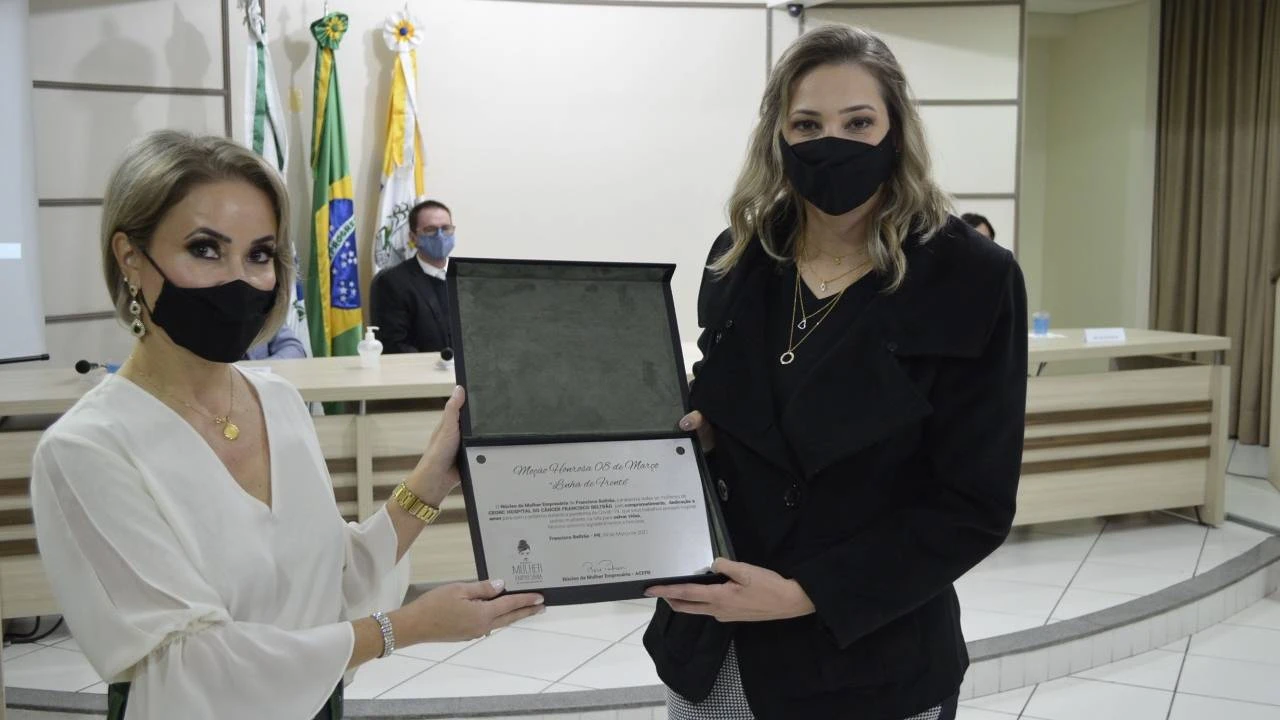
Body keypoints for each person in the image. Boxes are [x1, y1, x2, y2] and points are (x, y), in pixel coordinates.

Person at [30, 132, 544, 720]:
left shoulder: (277, 401)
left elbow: (336, 580)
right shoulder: (87, 447)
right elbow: (193, 664)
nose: (239, 279)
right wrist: (404, 628)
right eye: (205, 249)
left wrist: (433, 477)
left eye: (259, 255)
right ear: (130, 257)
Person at [643, 25, 1027, 720]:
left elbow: (974, 505)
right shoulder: (740, 255)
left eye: (858, 123)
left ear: (895, 131)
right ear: (779, 136)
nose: (832, 143)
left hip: (868, 651)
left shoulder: (971, 275)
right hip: (713, 641)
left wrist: (806, 594)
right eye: (807, 124)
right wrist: (705, 432)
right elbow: (725, 401)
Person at [370, 200, 456, 354]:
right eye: (430, 230)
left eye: (446, 228)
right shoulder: (392, 282)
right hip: (424, 368)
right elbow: (394, 345)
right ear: (413, 237)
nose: (440, 236)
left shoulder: (467, 277)